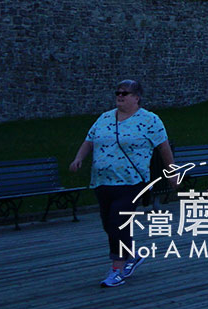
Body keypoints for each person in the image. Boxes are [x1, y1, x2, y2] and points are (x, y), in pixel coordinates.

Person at [70, 80, 174, 288]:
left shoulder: (150, 120)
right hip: (102, 182)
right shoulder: (105, 118)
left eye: (125, 93)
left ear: (137, 97)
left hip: (132, 182)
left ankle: (117, 270)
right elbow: (90, 140)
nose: (120, 96)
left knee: (118, 222)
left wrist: (172, 173)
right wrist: (78, 158)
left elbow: (164, 148)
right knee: (109, 224)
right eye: (118, 92)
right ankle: (131, 256)